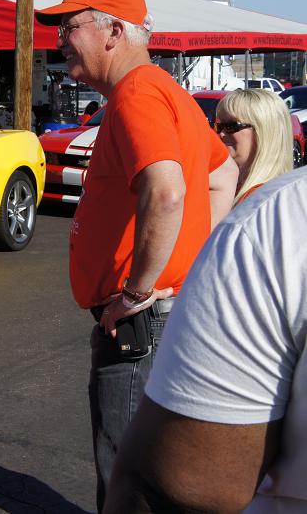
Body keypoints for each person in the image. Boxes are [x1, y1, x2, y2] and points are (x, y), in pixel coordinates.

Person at [34, 0, 238, 511]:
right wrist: (193, 267)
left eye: (70, 27)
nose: (60, 41)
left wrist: (136, 290)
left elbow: (167, 191)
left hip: (138, 325)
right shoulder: (165, 90)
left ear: (112, 32)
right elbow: (221, 177)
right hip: (161, 317)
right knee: (147, 469)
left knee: (128, 478)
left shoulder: (137, 94)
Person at [105, 167, 307, 513]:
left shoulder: (278, 221)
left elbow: (172, 490)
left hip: (138, 316)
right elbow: (223, 174)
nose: (222, 133)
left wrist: (135, 293)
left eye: (232, 125)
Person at [215, 88, 292, 207]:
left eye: (231, 126)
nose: (221, 134)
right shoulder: (230, 187)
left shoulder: (268, 200)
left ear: (264, 132)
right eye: (219, 126)